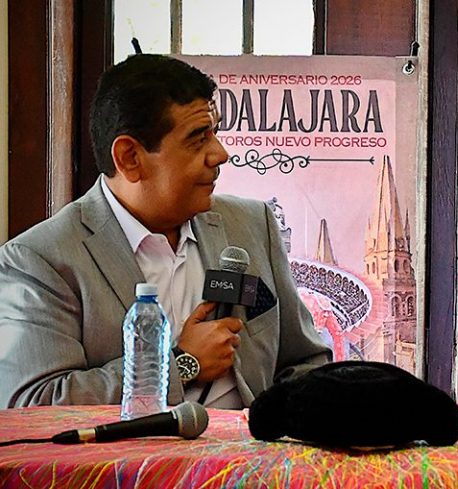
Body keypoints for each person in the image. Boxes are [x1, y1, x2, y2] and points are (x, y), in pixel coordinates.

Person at [0, 54, 331, 409]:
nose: (220, 154)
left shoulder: (252, 224)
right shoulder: (41, 259)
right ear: (129, 157)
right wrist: (180, 365)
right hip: (129, 448)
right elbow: (33, 402)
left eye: (215, 133)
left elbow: (306, 362)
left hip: (250, 444)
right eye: (197, 139)